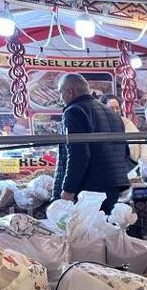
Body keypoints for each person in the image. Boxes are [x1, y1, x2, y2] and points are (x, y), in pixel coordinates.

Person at [53, 73, 131, 213]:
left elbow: (78, 154)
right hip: (114, 186)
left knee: (86, 232)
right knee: (107, 230)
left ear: (70, 92)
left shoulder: (74, 111)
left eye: (60, 92)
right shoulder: (113, 114)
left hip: (89, 190)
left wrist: (68, 189)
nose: (60, 97)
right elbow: (124, 152)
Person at [101, 93, 147, 172]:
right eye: (111, 108)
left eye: (117, 108)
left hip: (130, 166)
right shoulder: (99, 126)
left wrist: (145, 161)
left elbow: (141, 141)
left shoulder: (126, 123)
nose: (115, 111)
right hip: (109, 169)